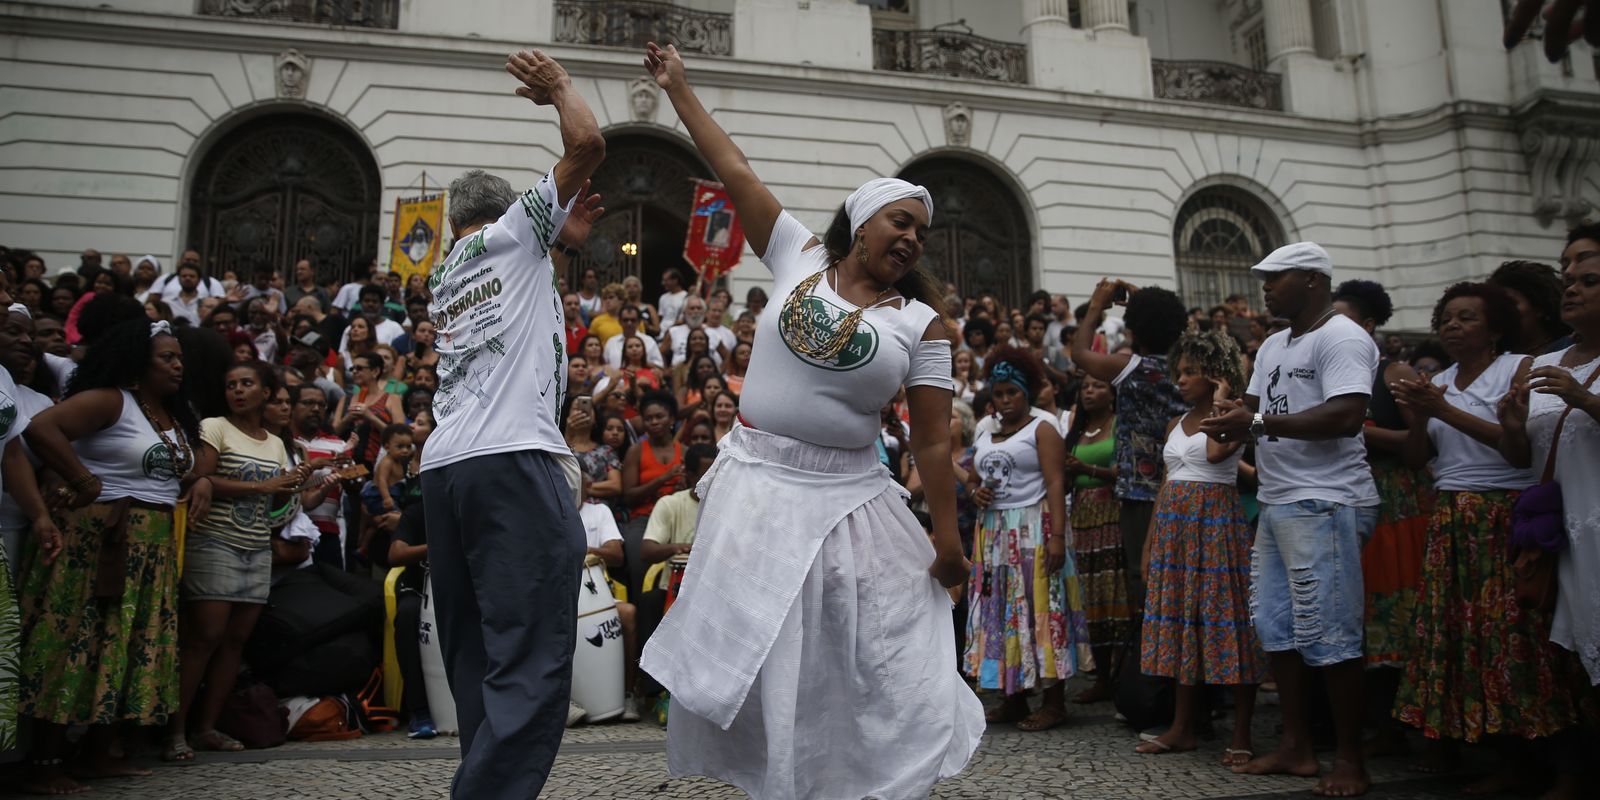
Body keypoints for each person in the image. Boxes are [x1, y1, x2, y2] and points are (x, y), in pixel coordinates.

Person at [638, 42, 980, 800]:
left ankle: (863, 776)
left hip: (847, 500)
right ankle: (778, 782)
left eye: (922, 232)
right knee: (766, 655)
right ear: (860, 223)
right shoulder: (796, 255)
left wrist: (946, 537)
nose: (913, 238)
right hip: (757, 483)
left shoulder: (923, 325)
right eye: (900, 221)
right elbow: (735, 171)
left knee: (856, 651)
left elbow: (930, 437)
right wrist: (680, 90)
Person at [419, 49, 605, 800]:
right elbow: (589, 146)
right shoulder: (512, 234)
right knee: (531, 647)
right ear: (505, 213)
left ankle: (479, 775)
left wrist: (563, 241)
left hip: (445, 469)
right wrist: (559, 88)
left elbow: (521, 304)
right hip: (512, 460)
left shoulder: (442, 273)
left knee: (478, 653)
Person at [1198, 242, 1379, 797]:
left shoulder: (1342, 337)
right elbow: (1253, 409)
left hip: (1326, 498)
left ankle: (1350, 758)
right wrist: (1229, 420)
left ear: (1313, 281)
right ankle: (1297, 747)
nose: (1265, 287)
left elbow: (1347, 415)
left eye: (1277, 277)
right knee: (1275, 628)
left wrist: (1253, 423)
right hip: (1281, 498)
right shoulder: (1275, 342)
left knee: (1331, 630)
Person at [1390, 282, 1576, 793]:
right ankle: (1501, 757)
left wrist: (1442, 409)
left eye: (1466, 317)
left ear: (1494, 327)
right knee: (1468, 639)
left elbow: (1517, 453)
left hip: (1502, 515)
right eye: (1446, 318)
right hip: (1452, 517)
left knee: (1513, 637)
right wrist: (1420, 415)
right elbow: (1415, 459)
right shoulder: (1441, 380)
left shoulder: (1516, 369)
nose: (1452, 326)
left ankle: (1551, 763)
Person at [15, 319, 179, 794]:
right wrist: (81, 478)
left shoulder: (165, 412)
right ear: (136, 362)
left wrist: (204, 479)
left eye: (180, 357)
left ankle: (99, 752)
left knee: (121, 647)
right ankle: (45, 759)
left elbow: (175, 469)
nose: (177, 364)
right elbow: (42, 428)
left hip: (151, 547)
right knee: (76, 642)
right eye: (166, 357)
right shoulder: (111, 399)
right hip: (100, 538)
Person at [1497, 224, 1600, 800]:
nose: (1572, 287)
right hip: (1560, 530)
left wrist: (1583, 396)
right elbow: (1521, 454)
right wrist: (1512, 427)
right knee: (1564, 657)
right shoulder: (1543, 361)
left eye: (1589, 279)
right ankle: (1574, 770)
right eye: (1568, 278)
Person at [1135, 331, 1264, 764]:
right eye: (1180, 371)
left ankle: (1242, 731)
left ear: (1215, 374)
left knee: (1228, 623)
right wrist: (1150, 544)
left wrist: (1226, 396)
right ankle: (1182, 727)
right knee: (1183, 624)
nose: (1180, 380)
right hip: (1175, 527)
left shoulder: (1234, 415)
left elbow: (1212, 455)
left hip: (1216, 525)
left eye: (1191, 371)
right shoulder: (1175, 422)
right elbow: (1166, 483)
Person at [168, 361, 299, 759]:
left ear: (265, 392)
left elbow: (273, 503)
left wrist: (291, 486)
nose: (238, 391)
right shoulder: (214, 427)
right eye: (231, 385)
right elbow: (200, 479)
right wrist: (266, 484)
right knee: (203, 638)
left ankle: (208, 727)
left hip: (256, 545)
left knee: (235, 643)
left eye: (246, 384)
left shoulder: (275, 442)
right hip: (215, 542)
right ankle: (175, 732)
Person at [1331, 279, 1431, 754]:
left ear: (1368, 326)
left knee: (1400, 612)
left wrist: (1363, 431)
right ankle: (1379, 724)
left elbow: (1420, 445)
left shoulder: (1394, 373)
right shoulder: (1329, 372)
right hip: (1349, 496)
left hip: (1394, 501)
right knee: (1364, 613)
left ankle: (1411, 726)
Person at [964, 346, 1086, 733]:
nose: (1004, 400)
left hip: (1033, 527)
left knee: (1041, 609)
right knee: (1001, 609)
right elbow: (974, 477)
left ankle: (1054, 702)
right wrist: (975, 493)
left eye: (1012, 392)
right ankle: (1012, 696)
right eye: (998, 393)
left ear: (1026, 392)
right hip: (994, 532)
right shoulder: (985, 430)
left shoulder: (1043, 427)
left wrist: (1056, 537)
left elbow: (1055, 482)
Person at [1072, 280, 1190, 613]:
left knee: (1145, 574)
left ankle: (1153, 649)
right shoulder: (1187, 370)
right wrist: (1150, 306)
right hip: (1183, 483)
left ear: (1134, 331)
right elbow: (1185, 330)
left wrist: (1097, 305)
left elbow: (1080, 354)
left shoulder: (1132, 368)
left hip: (1140, 490)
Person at [1062, 373, 1129, 704]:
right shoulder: (1075, 431)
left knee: (1113, 590)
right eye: (1086, 386)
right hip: (1082, 517)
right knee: (1090, 596)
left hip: (1112, 514)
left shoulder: (1120, 425)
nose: (1090, 391)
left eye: (1098, 385)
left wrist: (1087, 469)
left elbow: (1124, 470)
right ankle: (1102, 677)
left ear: (1112, 394)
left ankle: (1122, 674)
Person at [620, 390, 684, 596]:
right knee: (641, 566)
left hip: (677, 519)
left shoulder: (684, 451)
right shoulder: (636, 451)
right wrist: (662, 480)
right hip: (643, 519)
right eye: (648, 418)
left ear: (672, 419)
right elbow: (628, 497)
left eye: (659, 416)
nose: (654, 422)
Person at [1488, 259, 1572, 356]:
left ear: (1538, 308)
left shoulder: (1569, 349)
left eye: (1510, 303)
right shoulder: (1495, 360)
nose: (1501, 312)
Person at [657, 267, 688, 333]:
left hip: (677, 332)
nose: (663, 283)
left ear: (675, 280)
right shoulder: (663, 297)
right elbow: (660, 317)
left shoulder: (686, 297)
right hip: (662, 334)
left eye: (666, 280)